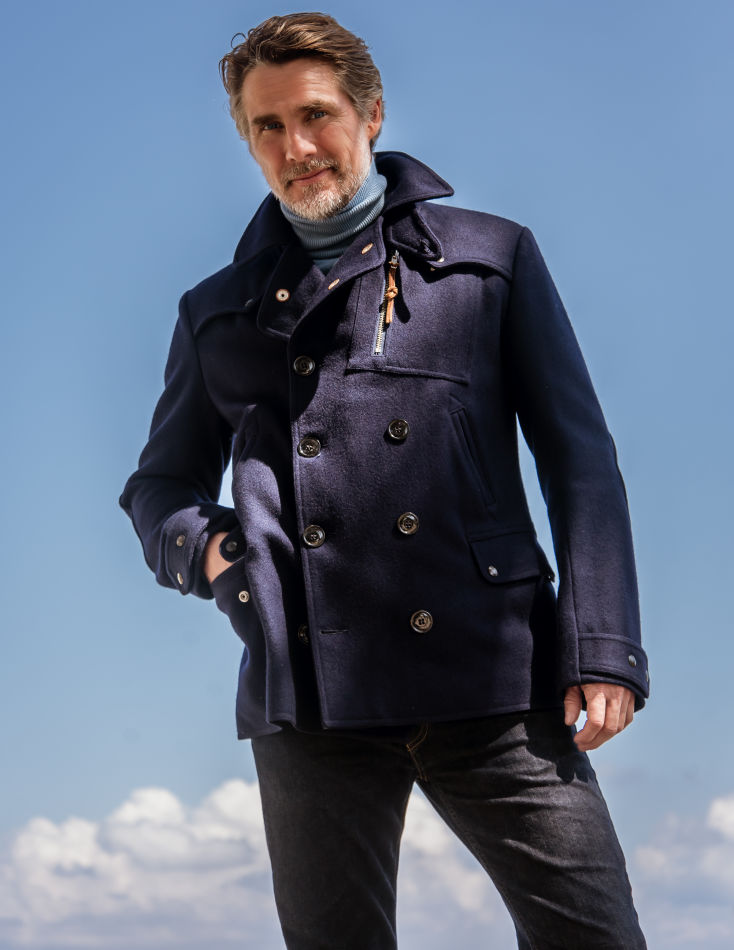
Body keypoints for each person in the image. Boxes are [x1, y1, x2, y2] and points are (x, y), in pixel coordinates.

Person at [120, 12, 649, 949]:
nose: (296, 147)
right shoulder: (216, 312)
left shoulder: (490, 259)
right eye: (268, 127)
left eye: (315, 116)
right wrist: (216, 559)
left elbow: (579, 456)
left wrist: (602, 646)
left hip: (498, 672)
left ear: (370, 115)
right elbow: (157, 486)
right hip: (309, 692)